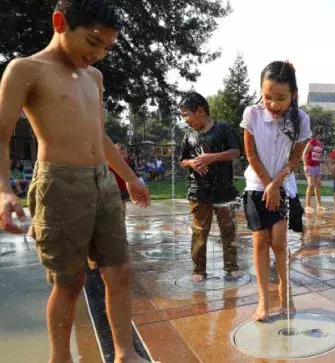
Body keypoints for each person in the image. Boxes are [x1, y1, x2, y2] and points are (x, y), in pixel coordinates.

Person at [0, 2, 151, 363]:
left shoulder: (93, 77)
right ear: (59, 22)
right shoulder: (26, 69)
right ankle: (60, 358)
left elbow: (99, 134)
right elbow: (2, 133)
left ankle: (125, 353)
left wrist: (129, 178)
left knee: (120, 271)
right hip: (59, 183)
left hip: (102, 181)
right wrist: (4, 189)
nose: (97, 55)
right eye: (92, 41)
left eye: (106, 48)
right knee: (70, 282)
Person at [240, 61, 310, 321]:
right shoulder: (252, 114)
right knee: (260, 241)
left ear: (293, 94)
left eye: (281, 98)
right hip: (257, 185)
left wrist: (277, 183)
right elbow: (250, 153)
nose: (273, 104)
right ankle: (263, 299)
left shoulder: (301, 119)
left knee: (279, 241)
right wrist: (268, 184)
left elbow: (294, 160)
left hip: (284, 185)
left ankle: (285, 290)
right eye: (267, 96)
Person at [179, 92, 243, 282]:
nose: (184, 120)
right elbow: (182, 160)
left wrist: (211, 158)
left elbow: (236, 152)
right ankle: (198, 270)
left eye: (185, 115)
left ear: (200, 111)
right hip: (198, 190)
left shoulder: (223, 129)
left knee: (228, 229)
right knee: (199, 230)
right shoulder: (189, 135)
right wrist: (192, 163)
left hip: (224, 189)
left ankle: (231, 267)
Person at [303, 126, 325, 213]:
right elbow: (304, 153)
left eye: (321, 133)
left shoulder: (320, 143)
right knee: (311, 185)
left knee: (318, 186)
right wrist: (305, 166)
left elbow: (318, 155)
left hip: (317, 167)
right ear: (315, 133)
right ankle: (307, 205)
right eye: (318, 133)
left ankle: (319, 205)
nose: (320, 135)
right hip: (310, 166)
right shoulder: (312, 141)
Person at [108, 143, 134, 216]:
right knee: (122, 202)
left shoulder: (112, 161)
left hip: (116, 186)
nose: (122, 155)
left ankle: (120, 218)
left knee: (118, 203)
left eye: (124, 153)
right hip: (120, 186)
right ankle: (122, 218)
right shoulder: (125, 160)